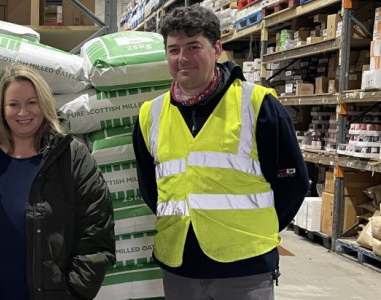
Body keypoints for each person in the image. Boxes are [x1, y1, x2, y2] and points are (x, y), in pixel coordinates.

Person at [132, 5, 309, 300]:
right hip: (180, 265)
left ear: (216, 49)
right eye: (173, 49)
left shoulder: (257, 105)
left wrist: (254, 232)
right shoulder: (151, 114)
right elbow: (150, 189)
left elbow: (293, 183)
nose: (183, 58)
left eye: (193, 46)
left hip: (245, 268)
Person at [0, 64, 116, 300]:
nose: (23, 112)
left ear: (45, 104)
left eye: (32, 102)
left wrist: (73, 292)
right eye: (13, 104)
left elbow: (96, 233)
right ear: (2, 108)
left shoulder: (72, 157)